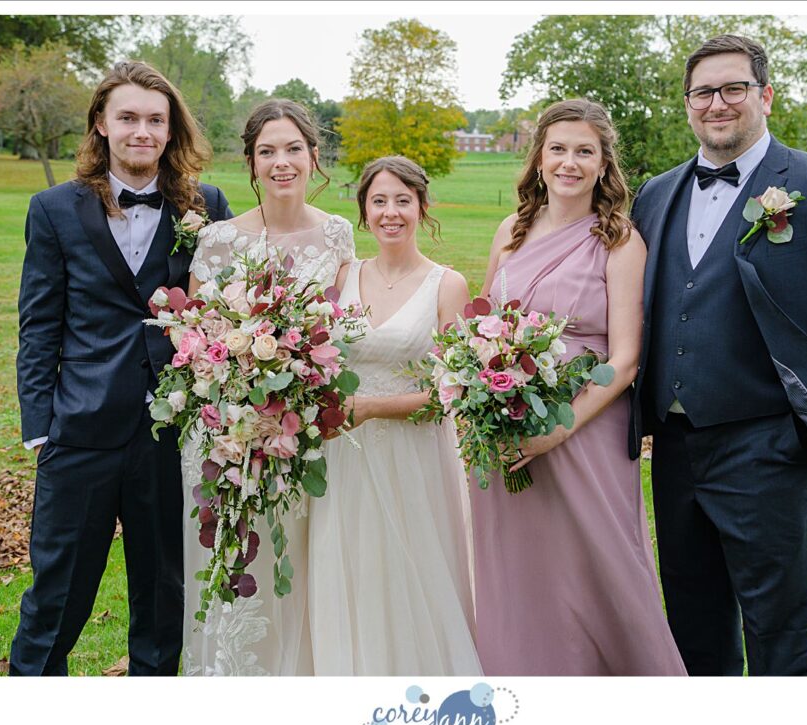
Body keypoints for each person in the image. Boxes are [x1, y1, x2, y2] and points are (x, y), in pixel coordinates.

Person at [630, 35, 807, 676]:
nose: (717, 103)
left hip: (772, 442)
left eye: (733, 88)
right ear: (687, 104)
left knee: (778, 629)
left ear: (765, 95)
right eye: (703, 92)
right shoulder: (656, 193)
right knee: (693, 626)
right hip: (673, 445)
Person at [12, 61, 232, 676]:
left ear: (171, 130)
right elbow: (39, 324)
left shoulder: (206, 204)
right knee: (55, 597)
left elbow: (228, 304)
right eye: (129, 117)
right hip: (79, 431)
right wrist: (40, 426)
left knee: (165, 595)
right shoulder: (53, 208)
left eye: (156, 120)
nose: (143, 130)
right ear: (102, 125)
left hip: (172, 432)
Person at [470, 100, 687, 676]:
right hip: (507, 429)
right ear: (539, 158)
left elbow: (626, 358)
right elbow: (483, 323)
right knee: (521, 570)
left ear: (602, 164)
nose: (569, 162)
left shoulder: (620, 241)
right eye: (558, 148)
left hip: (585, 427)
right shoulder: (509, 232)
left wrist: (556, 429)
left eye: (584, 151)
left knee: (601, 566)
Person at [181, 99, 354, 675]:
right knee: (235, 552)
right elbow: (198, 339)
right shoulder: (219, 240)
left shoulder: (337, 234)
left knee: (301, 560)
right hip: (229, 432)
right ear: (250, 164)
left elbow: (342, 331)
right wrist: (239, 386)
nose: (281, 163)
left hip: (304, 431)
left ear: (313, 156)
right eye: (267, 152)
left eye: (293, 149)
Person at [308, 156, 481, 675]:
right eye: (379, 201)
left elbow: (457, 391)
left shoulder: (447, 285)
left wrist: (372, 408)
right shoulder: (343, 277)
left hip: (415, 459)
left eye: (403, 201)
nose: (391, 213)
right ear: (363, 211)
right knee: (351, 571)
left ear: (422, 207)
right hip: (344, 459)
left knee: (414, 577)